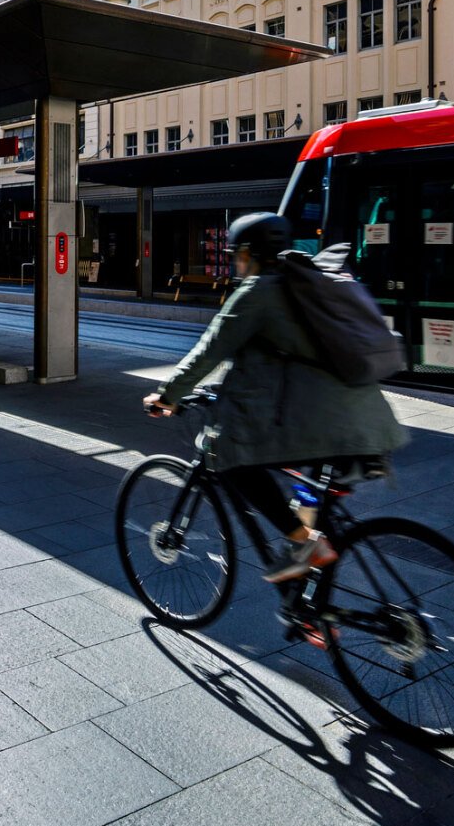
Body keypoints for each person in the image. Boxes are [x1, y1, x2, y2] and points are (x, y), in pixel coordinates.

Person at [143, 212, 406, 586]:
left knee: (227, 459)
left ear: (248, 254)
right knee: (314, 506)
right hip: (366, 422)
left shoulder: (259, 291)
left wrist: (167, 396)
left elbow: (209, 352)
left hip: (328, 425)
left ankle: (303, 544)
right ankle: (318, 611)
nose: (236, 262)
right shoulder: (305, 283)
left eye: (237, 255)